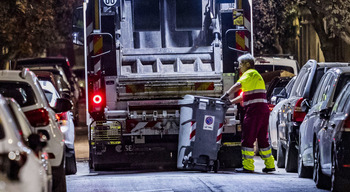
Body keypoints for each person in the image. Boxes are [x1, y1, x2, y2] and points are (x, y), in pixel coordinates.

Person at [221, 53, 275, 173]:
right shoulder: (256, 77)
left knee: (247, 138)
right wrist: (230, 102)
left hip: (254, 110)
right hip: (263, 111)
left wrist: (226, 94)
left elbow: (237, 85)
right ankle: (270, 164)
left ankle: (248, 166)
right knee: (263, 139)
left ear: (247, 64)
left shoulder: (249, 74)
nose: (239, 67)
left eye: (241, 64)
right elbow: (243, 96)